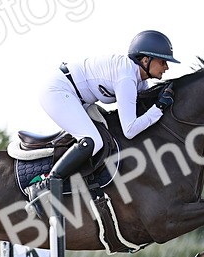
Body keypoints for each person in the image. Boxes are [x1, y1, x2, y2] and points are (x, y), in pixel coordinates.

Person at [27, 30, 180, 214]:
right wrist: (159, 108)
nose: (166, 67)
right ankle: (45, 185)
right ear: (145, 60)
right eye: (163, 61)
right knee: (92, 141)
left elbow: (141, 114)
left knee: (104, 135)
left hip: (78, 98)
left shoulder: (139, 80)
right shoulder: (127, 77)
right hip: (58, 91)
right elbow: (130, 130)